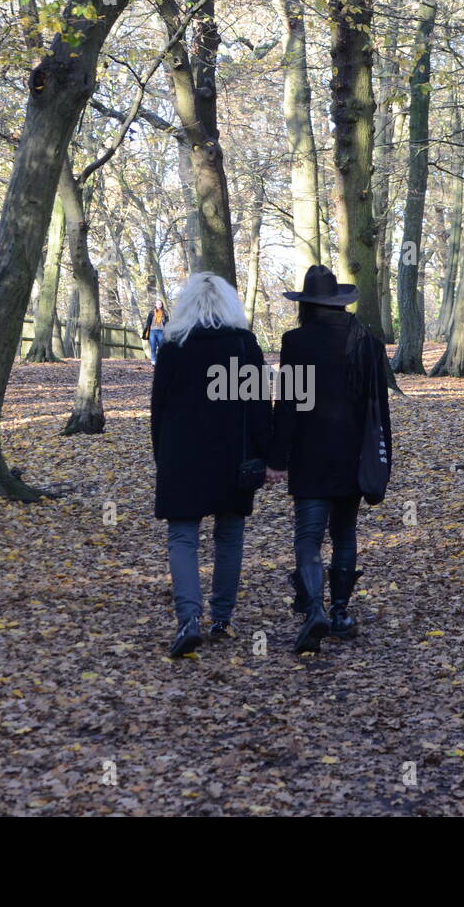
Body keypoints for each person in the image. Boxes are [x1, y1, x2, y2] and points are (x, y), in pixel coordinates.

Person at [268, 265, 392, 653]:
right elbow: (379, 408)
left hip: (310, 454)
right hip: (353, 454)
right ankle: (339, 614)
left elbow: (288, 402)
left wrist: (276, 458)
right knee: (344, 533)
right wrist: (382, 456)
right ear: (339, 303)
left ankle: (315, 611)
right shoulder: (367, 342)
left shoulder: (297, 342)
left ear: (307, 304)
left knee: (307, 536)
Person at [151, 274, 271, 657]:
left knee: (182, 539)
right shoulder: (244, 345)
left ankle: (188, 619)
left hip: (182, 456)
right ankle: (222, 618)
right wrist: (265, 454)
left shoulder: (173, 348)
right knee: (229, 537)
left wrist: (162, 456)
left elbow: (159, 409)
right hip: (232, 458)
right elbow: (257, 408)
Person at [142, 299, 167, 364]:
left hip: (161, 331)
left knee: (161, 347)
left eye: (160, 304)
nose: (159, 305)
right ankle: (153, 361)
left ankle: (161, 360)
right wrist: (146, 331)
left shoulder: (164, 313)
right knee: (153, 347)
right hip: (152, 332)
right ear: (155, 304)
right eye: (157, 303)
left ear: (162, 305)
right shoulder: (151, 312)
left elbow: (167, 323)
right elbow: (148, 322)